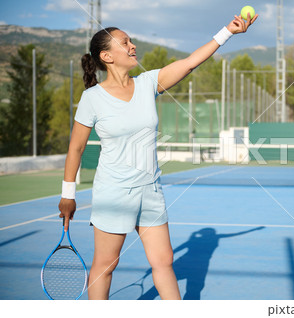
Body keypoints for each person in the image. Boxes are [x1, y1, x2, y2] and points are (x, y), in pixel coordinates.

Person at [58, 12, 258, 300]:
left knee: (164, 262)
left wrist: (227, 31)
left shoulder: (147, 83)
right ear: (107, 55)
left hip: (150, 189)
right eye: (125, 42)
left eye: (131, 41)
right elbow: (75, 148)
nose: (132, 46)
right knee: (106, 265)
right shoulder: (92, 98)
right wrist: (68, 194)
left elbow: (190, 63)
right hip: (113, 193)